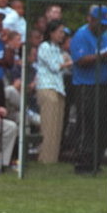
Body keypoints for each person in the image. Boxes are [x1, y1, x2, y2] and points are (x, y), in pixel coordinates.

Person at [70, 5, 107, 173]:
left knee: (102, 124)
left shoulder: (106, 35)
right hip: (87, 86)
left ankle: (96, 162)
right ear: (90, 19)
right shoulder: (81, 35)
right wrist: (104, 55)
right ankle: (83, 163)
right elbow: (80, 60)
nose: (104, 26)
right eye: (101, 23)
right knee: (88, 125)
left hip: (104, 85)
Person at [36, 20, 72, 163]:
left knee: (57, 126)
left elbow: (63, 68)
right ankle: (44, 158)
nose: (62, 35)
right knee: (48, 125)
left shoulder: (57, 48)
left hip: (58, 88)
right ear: (51, 32)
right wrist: (71, 62)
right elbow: (54, 67)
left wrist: (66, 62)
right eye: (60, 32)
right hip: (47, 87)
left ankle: (53, 158)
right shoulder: (44, 47)